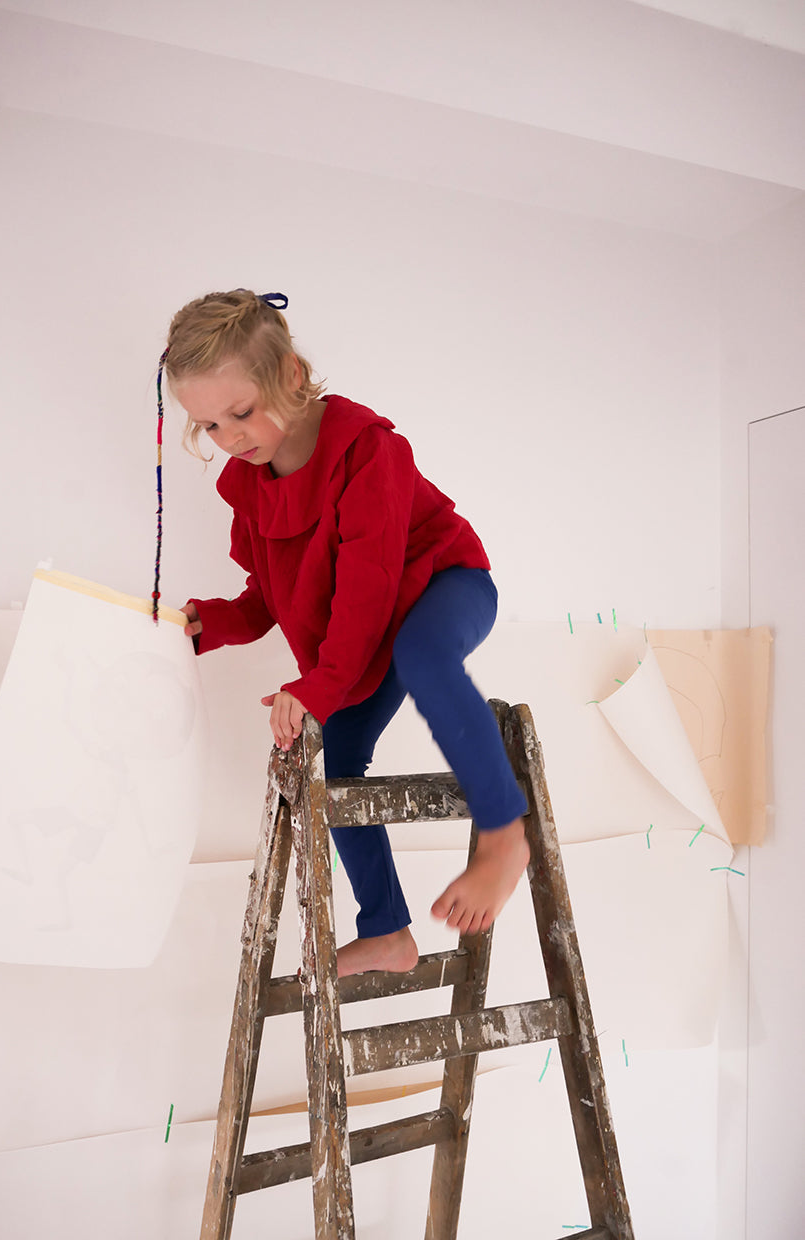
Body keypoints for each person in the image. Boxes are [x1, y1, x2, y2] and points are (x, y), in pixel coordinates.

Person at [157, 288, 529, 978]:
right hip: (369, 624)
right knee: (340, 760)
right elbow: (267, 596)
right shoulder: (247, 485)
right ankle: (387, 930)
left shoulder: (368, 451)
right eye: (208, 426)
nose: (230, 437)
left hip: (440, 582)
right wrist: (206, 624)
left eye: (239, 413)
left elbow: (369, 585)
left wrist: (322, 683)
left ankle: (504, 831)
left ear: (291, 374)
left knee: (421, 655)